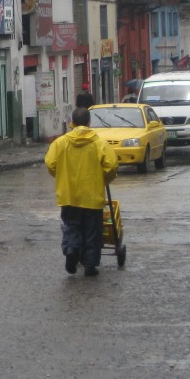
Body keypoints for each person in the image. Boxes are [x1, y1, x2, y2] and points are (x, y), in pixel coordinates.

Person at [44, 106, 119, 277]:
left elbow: (50, 163)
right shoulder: (99, 143)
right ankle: (90, 265)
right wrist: (104, 178)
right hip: (92, 196)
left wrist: (61, 176)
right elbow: (112, 165)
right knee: (93, 230)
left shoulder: (60, 143)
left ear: (72, 123)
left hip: (69, 195)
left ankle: (72, 249)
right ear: (89, 122)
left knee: (72, 225)